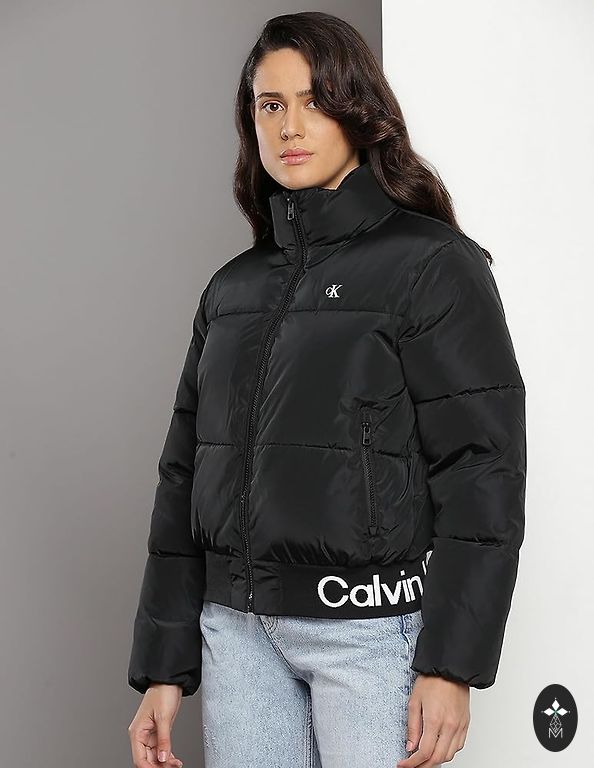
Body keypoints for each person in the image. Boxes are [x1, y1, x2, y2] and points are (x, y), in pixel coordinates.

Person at [127, 11, 526, 768]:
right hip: (238, 635)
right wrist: (163, 669)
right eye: (270, 105)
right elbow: (183, 478)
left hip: (367, 636)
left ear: (356, 108)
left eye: (314, 101)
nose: (290, 126)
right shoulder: (231, 290)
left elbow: (483, 469)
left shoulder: (432, 266)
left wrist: (451, 663)